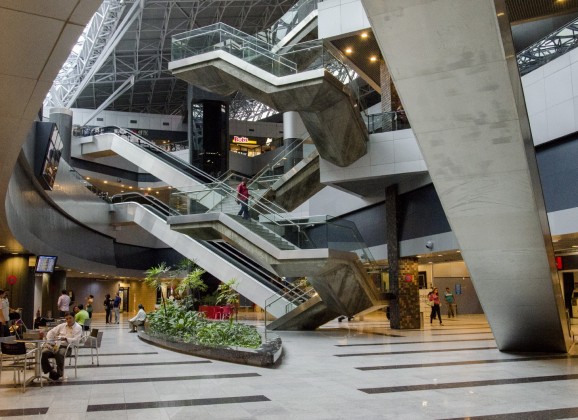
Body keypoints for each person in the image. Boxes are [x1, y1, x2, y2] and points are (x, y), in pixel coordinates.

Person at [41, 313, 82, 381]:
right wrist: (50, 342)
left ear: (74, 318)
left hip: (67, 347)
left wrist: (66, 339)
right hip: (56, 345)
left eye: (70, 318)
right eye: (67, 319)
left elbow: (76, 340)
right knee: (44, 352)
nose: (68, 320)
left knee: (59, 353)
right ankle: (50, 371)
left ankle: (60, 373)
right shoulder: (62, 325)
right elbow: (51, 332)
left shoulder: (78, 327)